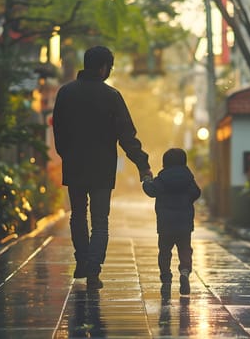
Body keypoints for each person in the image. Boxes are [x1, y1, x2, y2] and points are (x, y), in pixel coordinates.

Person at [52, 46, 152, 290]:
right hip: (101, 169)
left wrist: (67, 155)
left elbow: (58, 131)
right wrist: (143, 164)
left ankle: (82, 261)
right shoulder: (111, 96)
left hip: (74, 165)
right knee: (99, 220)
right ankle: (94, 270)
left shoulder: (65, 93)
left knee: (77, 215)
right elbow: (127, 136)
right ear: (103, 67)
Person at [142, 148, 201, 296]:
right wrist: (187, 200)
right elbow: (196, 192)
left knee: (164, 252)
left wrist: (147, 179)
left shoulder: (162, 178)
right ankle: (185, 272)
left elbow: (151, 191)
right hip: (184, 224)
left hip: (165, 225)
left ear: (165, 163)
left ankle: (166, 280)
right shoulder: (188, 178)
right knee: (185, 250)